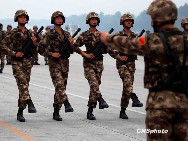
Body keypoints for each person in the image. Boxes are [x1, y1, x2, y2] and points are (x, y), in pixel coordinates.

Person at [100, 0, 188, 140]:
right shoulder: (186, 40)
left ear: (156, 19)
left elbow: (128, 44)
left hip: (160, 105)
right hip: (185, 104)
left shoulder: (152, 41)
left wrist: (107, 38)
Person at [0, 10, 39, 122]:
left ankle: (20, 112)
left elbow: (36, 49)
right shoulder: (12, 33)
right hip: (17, 61)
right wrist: (14, 53)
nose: (23, 19)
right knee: (22, 82)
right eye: (20, 17)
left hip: (27, 62)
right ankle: (30, 102)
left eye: (24, 17)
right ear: (17, 19)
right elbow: (2, 45)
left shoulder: (30, 33)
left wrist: (35, 43)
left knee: (24, 86)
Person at [38, 11, 74, 121]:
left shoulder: (67, 34)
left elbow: (71, 51)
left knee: (61, 88)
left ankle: (56, 111)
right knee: (59, 85)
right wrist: (51, 54)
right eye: (57, 18)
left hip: (64, 64)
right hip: (54, 64)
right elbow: (40, 49)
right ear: (53, 20)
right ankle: (67, 103)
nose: (59, 20)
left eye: (61, 18)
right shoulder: (48, 34)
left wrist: (71, 44)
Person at [74, 12, 109, 120]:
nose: (94, 21)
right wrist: (84, 54)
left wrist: (108, 44)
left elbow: (108, 50)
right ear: (88, 21)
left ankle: (90, 111)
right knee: (94, 85)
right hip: (89, 64)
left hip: (99, 63)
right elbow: (75, 46)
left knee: (94, 88)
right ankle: (101, 99)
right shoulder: (84, 35)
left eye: (96, 19)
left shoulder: (101, 35)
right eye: (92, 19)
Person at [108, 13, 143, 119]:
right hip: (122, 64)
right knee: (128, 83)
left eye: (130, 21)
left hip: (132, 64)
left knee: (127, 87)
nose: (129, 22)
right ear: (122, 22)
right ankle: (135, 98)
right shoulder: (117, 36)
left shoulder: (135, 36)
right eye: (127, 21)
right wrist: (118, 56)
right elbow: (109, 48)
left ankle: (123, 110)